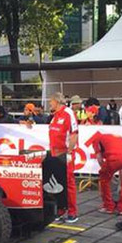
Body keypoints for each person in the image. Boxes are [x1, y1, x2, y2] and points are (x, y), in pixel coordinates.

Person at [48, 92, 79, 223]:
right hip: (55, 153)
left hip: (65, 153)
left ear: (56, 101)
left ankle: (72, 212)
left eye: (51, 101)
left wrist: (70, 152)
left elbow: (74, 133)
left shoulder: (68, 113)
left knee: (68, 182)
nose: (50, 103)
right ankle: (61, 209)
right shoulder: (55, 115)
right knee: (57, 182)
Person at [91, 133, 122, 215]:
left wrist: (107, 174)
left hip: (115, 158)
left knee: (104, 179)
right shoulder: (118, 137)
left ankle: (108, 206)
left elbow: (99, 158)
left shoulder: (96, 140)